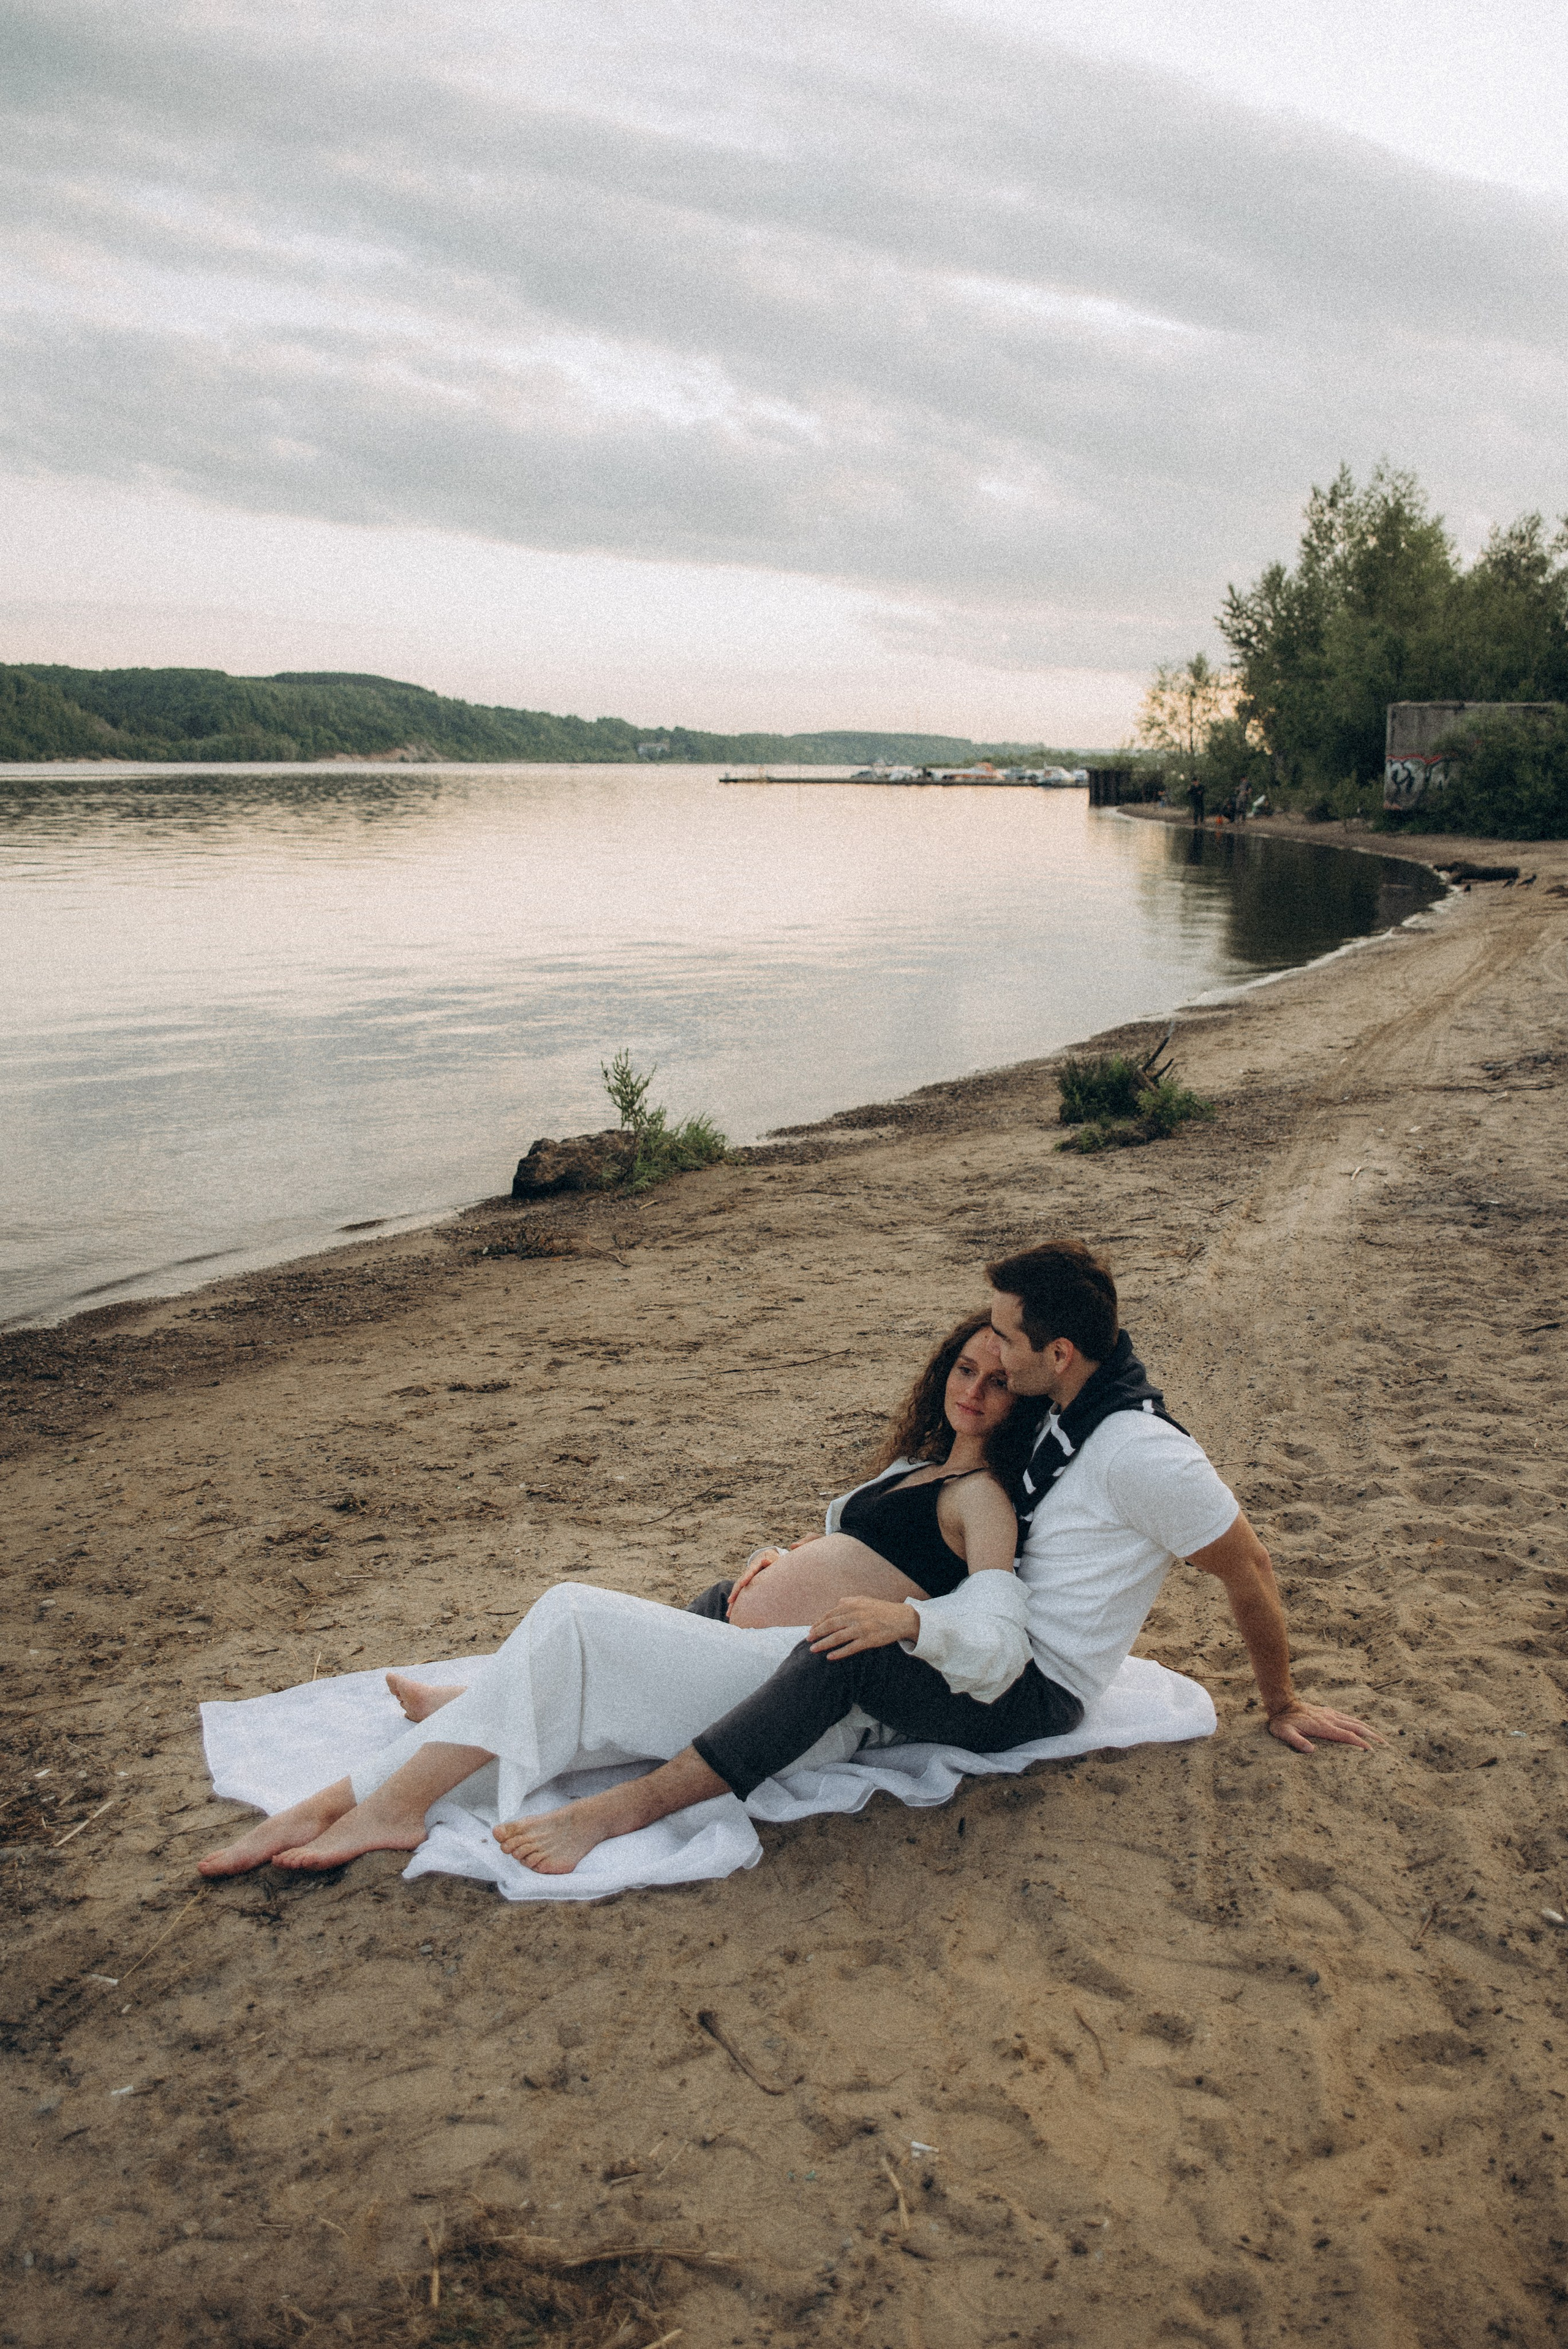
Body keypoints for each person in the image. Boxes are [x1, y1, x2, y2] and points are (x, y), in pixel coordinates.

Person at [202, 1242, 1374, 1883]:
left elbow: (1246, 1567)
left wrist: (1279, 1700)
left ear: (1055, 1353)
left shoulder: (1143, 1450)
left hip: (1025, 1684)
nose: (990, 1363)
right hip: (975, 1638)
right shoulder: (1068, 1407)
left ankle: (613, 1811)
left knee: (810, 1647)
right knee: (644, 1637)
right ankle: (365, 1796)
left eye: (1004, 1345)